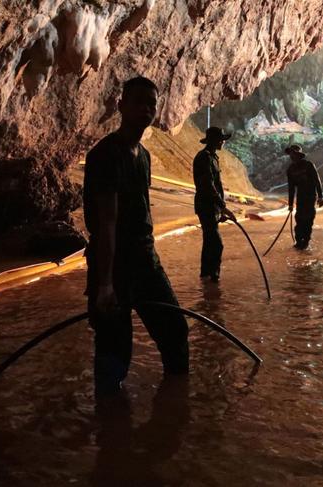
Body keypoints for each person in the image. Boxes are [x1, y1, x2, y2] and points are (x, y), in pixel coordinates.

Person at [83, 76, 189, 396]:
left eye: (152, 104)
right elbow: (107, 222)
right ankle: (110, 424)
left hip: (145, 259)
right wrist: (104, 285)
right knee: (115, 349)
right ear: (121, 106)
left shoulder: (142, 155)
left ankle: (175, 411)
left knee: (175, 331)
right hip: (114, 263)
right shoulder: (105, 154)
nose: (146, 109)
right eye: (138, 102)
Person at [193, 126, 237, 282]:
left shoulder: (212, 157)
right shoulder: (204, 157)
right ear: (213, 141)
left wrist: (219, 210)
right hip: (206, 206)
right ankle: (213, 277)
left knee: (209, 241)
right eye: (221, 140)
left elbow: (215, 185)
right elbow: (208, 186)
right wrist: (223, 207)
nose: (223, 143)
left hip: (212, 206)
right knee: (217, 244)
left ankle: (206, 275)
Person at [285, 145, 323, 249]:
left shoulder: (309, 165)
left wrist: (320, 197)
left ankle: (306, 242)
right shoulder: (290, 169)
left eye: (293, 154)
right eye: (290, 154)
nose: (291, 156)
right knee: (299, 219)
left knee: (308, 220)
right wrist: (290, 204)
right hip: (301, 197)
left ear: (298, 155)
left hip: (311, 196)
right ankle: (298, 242)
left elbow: (317, 180)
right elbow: (291, 188)